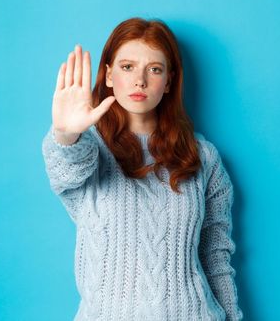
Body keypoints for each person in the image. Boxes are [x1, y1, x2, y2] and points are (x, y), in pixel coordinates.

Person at [41, 17, 244, 321]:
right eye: (127, 67)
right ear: (108, 75)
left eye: (154, 69)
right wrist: (66, 134)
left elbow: (215, 258)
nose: (140, 80)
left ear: (169, 82)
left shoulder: (203, 156)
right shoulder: (87, 148)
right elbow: (65, 167)